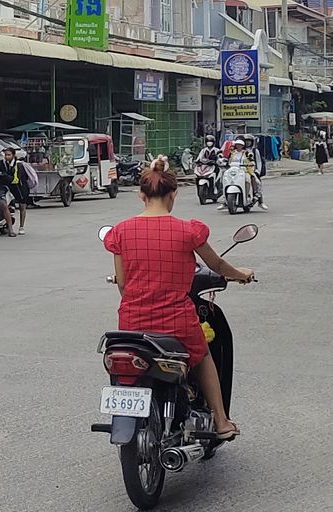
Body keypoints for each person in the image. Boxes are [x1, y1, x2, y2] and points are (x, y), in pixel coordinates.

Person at [104, 156, 254, 441]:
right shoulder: (188, 230)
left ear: (141, 195)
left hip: (132, 322)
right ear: (173, 194)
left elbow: (122, 283)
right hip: (177, 321)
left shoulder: (120, 231)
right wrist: (240, 274)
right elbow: (217, 265)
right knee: (203, 356)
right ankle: (221, 421)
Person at [2, 147, 31, 235]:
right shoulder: (5, 164)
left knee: (22, 206)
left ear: (13, 155)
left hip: (21, 188)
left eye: (9, 155)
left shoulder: (18, 165)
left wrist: (5, 177)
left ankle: (21, 226)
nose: (7, 157)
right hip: (10, 188)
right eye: (5, 155)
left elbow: (16, 179)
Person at [242, 135, 268, 211]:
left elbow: (259, 161)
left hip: (253, 171)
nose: (247, 143)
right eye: (246, 141)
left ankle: (260, 202)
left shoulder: (255, 151)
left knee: (257, 184)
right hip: (242, 171)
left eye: (249, 141)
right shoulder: (240, 150)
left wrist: (257, 171)